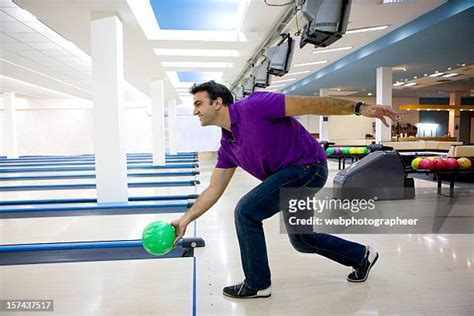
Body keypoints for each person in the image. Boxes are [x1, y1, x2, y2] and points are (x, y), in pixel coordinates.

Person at [171, 81, 397, 299]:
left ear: (217, 102)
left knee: (246, 212)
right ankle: (361, 256)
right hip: (292, 177)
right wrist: (186, 219)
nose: (195, 111)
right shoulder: (228, 146)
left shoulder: (255, 105)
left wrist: (359, 108)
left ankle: (257, 284)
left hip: (308, 167)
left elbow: (312, 104)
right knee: (303, 240)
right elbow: (213, 189)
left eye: (198, 104)